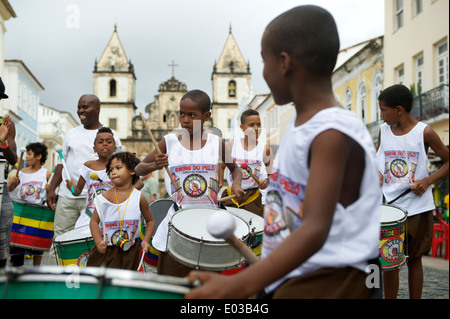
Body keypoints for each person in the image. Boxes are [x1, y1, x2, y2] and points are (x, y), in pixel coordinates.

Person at [186, 5, 381, 299]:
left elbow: (316, 227)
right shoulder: (300, 127)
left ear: (284, 63)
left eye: (264, 61)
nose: (263, 72)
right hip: (296, 275)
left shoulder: (332, 132)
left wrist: (239, 285)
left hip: (332, 281)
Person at [135, 89, 244, 277]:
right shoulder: (169, 142)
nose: (185, 119)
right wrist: (155, 164)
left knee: (207, 284)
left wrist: (237, 183)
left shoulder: (216, 143)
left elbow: (235, 169)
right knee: (172, 282)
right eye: (182, 114)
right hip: (177, 223)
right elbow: (138, 169)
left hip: (208, 222)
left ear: (206, 116)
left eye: (192, 115)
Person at [376, 84, 449, 299]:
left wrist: (427, 181)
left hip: (418, 208)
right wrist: (378, 174)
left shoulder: (424, 132)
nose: (381, 116)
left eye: (383, 110)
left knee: (415, 260)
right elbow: (379, 162)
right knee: (389, 262)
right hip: (390, 209)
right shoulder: (383, 131)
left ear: (399, 109)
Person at [46, 94, 121, 264]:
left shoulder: (111, 135)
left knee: (96, 243)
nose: (81, 111)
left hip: (100, 201)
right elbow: (61, 163)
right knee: (60, 239)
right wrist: (52, 189)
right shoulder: (71, 134)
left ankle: (90, 279)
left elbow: (120, 166)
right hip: (68, 197)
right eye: (79, 107)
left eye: (85, 107)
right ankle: (55, 279)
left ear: (97, 109)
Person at [87, 151, 154, 270]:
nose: (113, 172)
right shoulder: (103, 197)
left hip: (130, 251)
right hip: (106, 250)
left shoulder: (139, 197)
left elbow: (150, 221)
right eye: (111, 170)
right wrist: (98, 242)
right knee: (103, 285)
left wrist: (146, 241)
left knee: (124, 284)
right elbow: (93, 222)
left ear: (132, 171)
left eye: (118, 168)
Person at [219, 109, 272, 216]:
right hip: (232, 195)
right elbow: (221, 166)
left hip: (252, 198)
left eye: (259, 124)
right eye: (251, 125)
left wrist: (266, 181)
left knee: (254, 229)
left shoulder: (264, 149)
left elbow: (272, 174)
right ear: (242, 128)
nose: (256, 128)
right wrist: (220, 181)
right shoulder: (232, 144)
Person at [8, 142, 51, 266]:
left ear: (39, 156)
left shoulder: (47, 174)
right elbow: (10, 189)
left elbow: (52, 194)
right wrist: (12, 183)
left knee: (37, 248)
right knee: (16, 246)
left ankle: (36, 273)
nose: (26, 157)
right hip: (22, 213)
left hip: (38, 214)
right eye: (26, 154)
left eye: (30, 154)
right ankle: (15, 273)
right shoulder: (21, 172)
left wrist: (50, 188)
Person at [66, 127, 117, 228]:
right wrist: (71, 187)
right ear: (94, 148)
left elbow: (138, 183)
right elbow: (77, 191)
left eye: (109, 141)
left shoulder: (120, 166)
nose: (105, 144)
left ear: (115, 148)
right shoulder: (88, 166)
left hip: (113, 215)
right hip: (90, 216)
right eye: (100, 142)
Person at [0, 76, 18, 269]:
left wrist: (3, 142)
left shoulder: (6, 124)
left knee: (4, 222)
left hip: (0, 187)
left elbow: (13, 159)